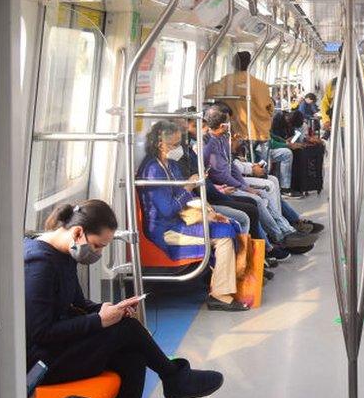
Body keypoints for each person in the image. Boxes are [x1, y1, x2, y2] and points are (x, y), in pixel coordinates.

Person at [25, 200, 224, 398]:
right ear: (78, 233)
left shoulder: (65, 255)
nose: (98, 253)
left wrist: (107, 309)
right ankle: (174, 378)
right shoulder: (39, 265)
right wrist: (100, 320)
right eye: (98, 246)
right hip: (42, 362)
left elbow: (79, 304)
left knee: (133, 356)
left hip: (60, 350)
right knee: (126, 329)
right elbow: (40, 333)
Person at [136, 121, 249, 311]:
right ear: (159, 144)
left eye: (178, 144)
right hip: (165, 229)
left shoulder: (171, 165)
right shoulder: (153, 170)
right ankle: (220, 294)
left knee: (229, 224)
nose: (176, 149)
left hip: (179, 220)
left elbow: (184, 200)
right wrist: (189, 186)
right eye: (173, 145)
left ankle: (229, 278)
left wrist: (209, 213)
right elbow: (167, 209)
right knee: (223, 235)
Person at [201, 106, 317, 250]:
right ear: (222, 125)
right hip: (223, 186)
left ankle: (285, 229)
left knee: (267, 187)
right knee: (258, 199)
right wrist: (244, 187)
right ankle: (280, 236)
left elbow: (231, 166)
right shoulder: (208, 145)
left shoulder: (223, 139)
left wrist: (244, 185)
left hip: (232, 181)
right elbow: (221, 174)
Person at [204, 51, 275, 142]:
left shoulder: (228, 82)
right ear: (250, 64)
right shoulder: (262, 86)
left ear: (233, 64)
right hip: (261, 134)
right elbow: (270, 110)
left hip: (239, 136)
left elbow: (208, 92)